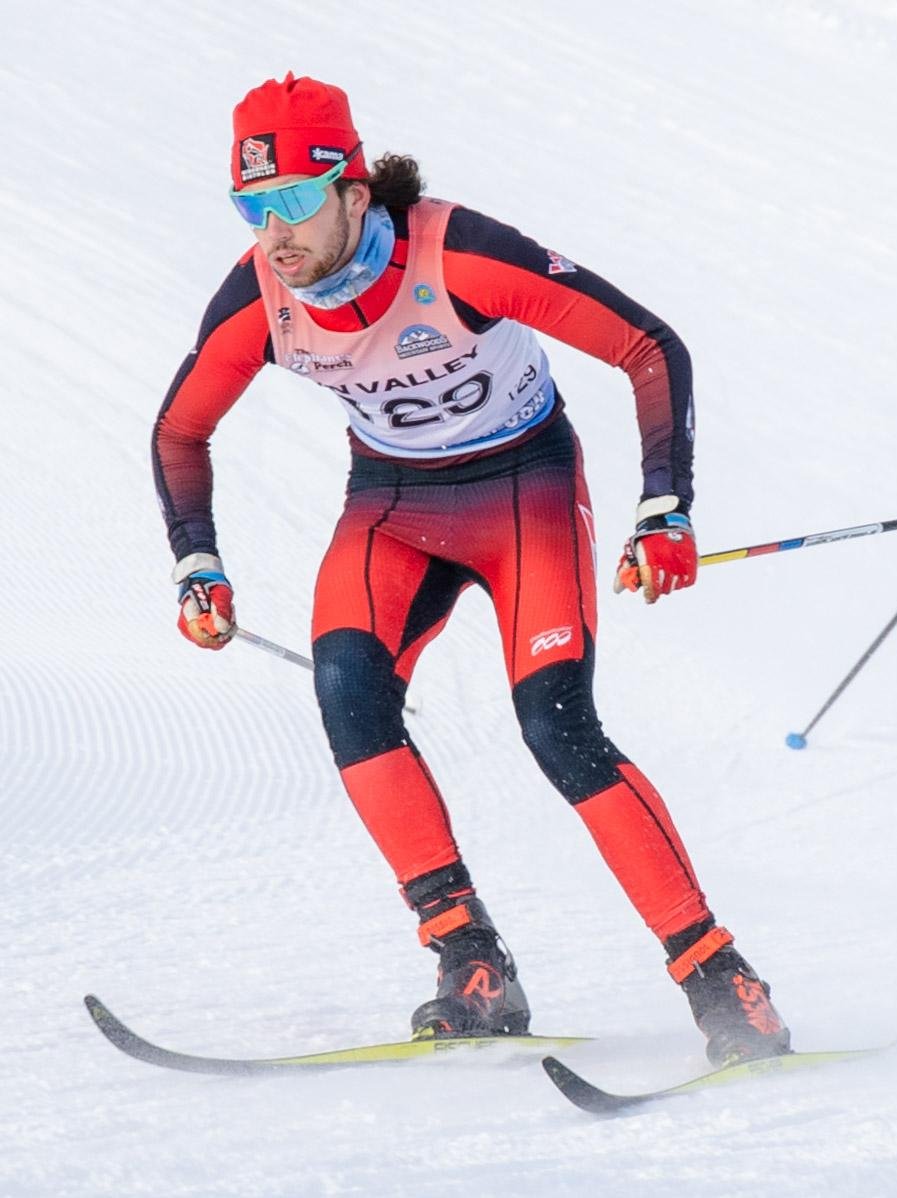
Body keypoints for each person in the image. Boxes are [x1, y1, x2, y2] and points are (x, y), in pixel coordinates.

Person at [152, 73, 790, 1064]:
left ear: (354, 193)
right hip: (394, 510)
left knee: (556, 728)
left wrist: (665, 503)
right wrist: (197, 559)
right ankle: (470, 963)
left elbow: (648, 345)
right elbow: (181, 431)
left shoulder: (457, 255)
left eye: (292, 202)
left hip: (523, 495)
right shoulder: (260, 299)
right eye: (251, 205)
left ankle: (723, 982)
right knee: (347, 696)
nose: (271, 232)